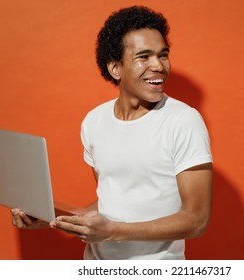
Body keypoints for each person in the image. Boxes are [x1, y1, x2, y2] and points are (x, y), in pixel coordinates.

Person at [11, 5, 213, 260]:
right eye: (144, 56)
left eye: (163, 55)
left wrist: (113, 231)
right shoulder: (94, 121)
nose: (159, 66)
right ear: (115, 68)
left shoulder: (183, 121)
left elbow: (196, 220)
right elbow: (112, 200)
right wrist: (53, 219)